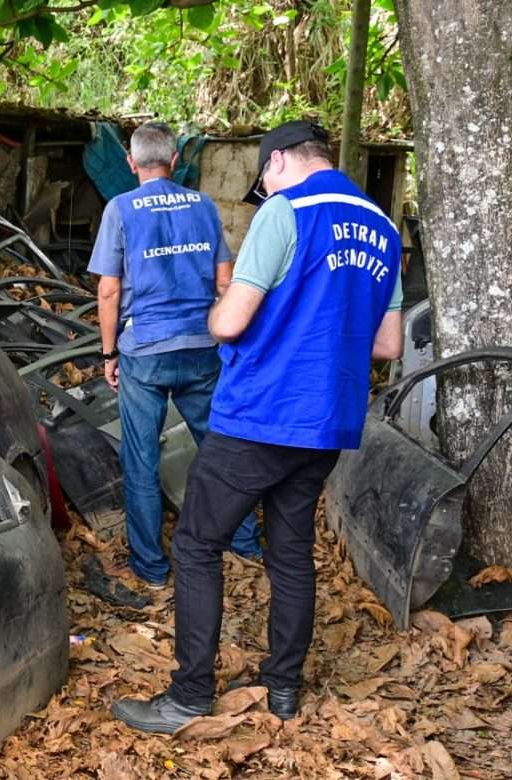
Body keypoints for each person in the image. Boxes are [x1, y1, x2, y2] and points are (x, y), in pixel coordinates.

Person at [111, 120, 404, 733]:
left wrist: (220, 310)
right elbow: (387, 343)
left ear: (277, 166)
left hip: (263, 413)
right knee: (291, 551)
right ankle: (283, 689)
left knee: (195, 544)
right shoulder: (383, 227)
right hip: (330, 421)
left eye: (264, 178)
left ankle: (190, 694)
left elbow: (229, 322)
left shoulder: (285, 210)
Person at [89, 122, 262, 588]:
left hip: (144, 352)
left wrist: (108, 354)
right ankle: (244, 541)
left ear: (131, 163)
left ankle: (152, 567)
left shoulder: (120, 209)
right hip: (202, 346)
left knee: (141, 461)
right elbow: (225, 283)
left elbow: (108, 292)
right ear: (175, 160)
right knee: (220, 449)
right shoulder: (203, 205)